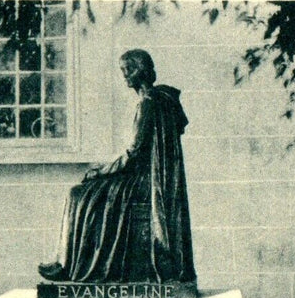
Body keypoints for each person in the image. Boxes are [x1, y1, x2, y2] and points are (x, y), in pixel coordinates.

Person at [38, 49, 196, 285]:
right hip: (150, 177)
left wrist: (100, 170)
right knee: (87, 192)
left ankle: (70, 267)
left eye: (128, 70)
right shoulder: (162, 99)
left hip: (144, 181)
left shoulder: (148, 104)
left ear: (141, 70)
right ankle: (68, 264)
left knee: (78, 194)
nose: (125, 76)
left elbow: (134, 154)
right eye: (123, 71)